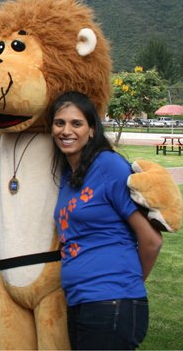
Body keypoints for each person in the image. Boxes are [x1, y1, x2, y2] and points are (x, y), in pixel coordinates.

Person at [47, 91, 163, 350]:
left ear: (91, 130)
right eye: (59, 123)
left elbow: (151, 241)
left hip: (110, 301)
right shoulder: (69, 176)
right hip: (81, 301)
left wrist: (123, 285)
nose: (66, 130)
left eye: (76, 123)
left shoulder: (109, 166)